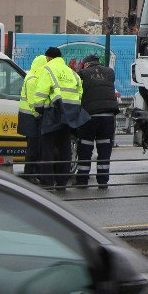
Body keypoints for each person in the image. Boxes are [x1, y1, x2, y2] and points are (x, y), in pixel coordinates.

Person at [30, 47, 90, 189]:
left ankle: (47, 182)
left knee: (48, 150)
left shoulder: (48, 69)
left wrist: (39, 110)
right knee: (65, 149)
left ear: (49, 58)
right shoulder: (71, 72)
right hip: (70, 115)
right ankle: (62, 182)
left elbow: (40, 94)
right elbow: (80, 93)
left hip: (52, 113)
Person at [76, 54, 119, 188]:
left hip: (90, 116)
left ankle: (82, 180)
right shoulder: (110, 72)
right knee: (105, 149)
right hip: (108, 116)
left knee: (85, 147)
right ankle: (103, 181)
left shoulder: (82, 73)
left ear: (87, 64)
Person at [17, 55, 47, 184]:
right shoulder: (33, 79)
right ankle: (30, 174)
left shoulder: (32, 77)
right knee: (33, 148)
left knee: (34, 147)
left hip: (28, 117)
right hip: (31, 117)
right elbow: (33, 101)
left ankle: (33, 172)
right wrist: (38, 115)